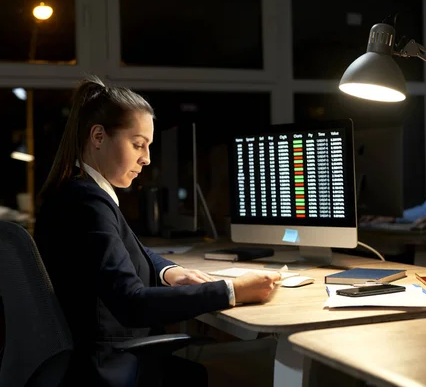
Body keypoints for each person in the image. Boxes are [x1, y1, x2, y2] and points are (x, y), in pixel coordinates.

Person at [34, 76, 280, 387]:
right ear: (98, 136)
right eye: (138, 144)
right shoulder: (89, 205)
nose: (147, 158)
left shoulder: (75, 192)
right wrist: (231, 292)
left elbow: (126, 248)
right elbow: (132, 304)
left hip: (85, 353)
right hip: (106, 365)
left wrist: (169, 271)